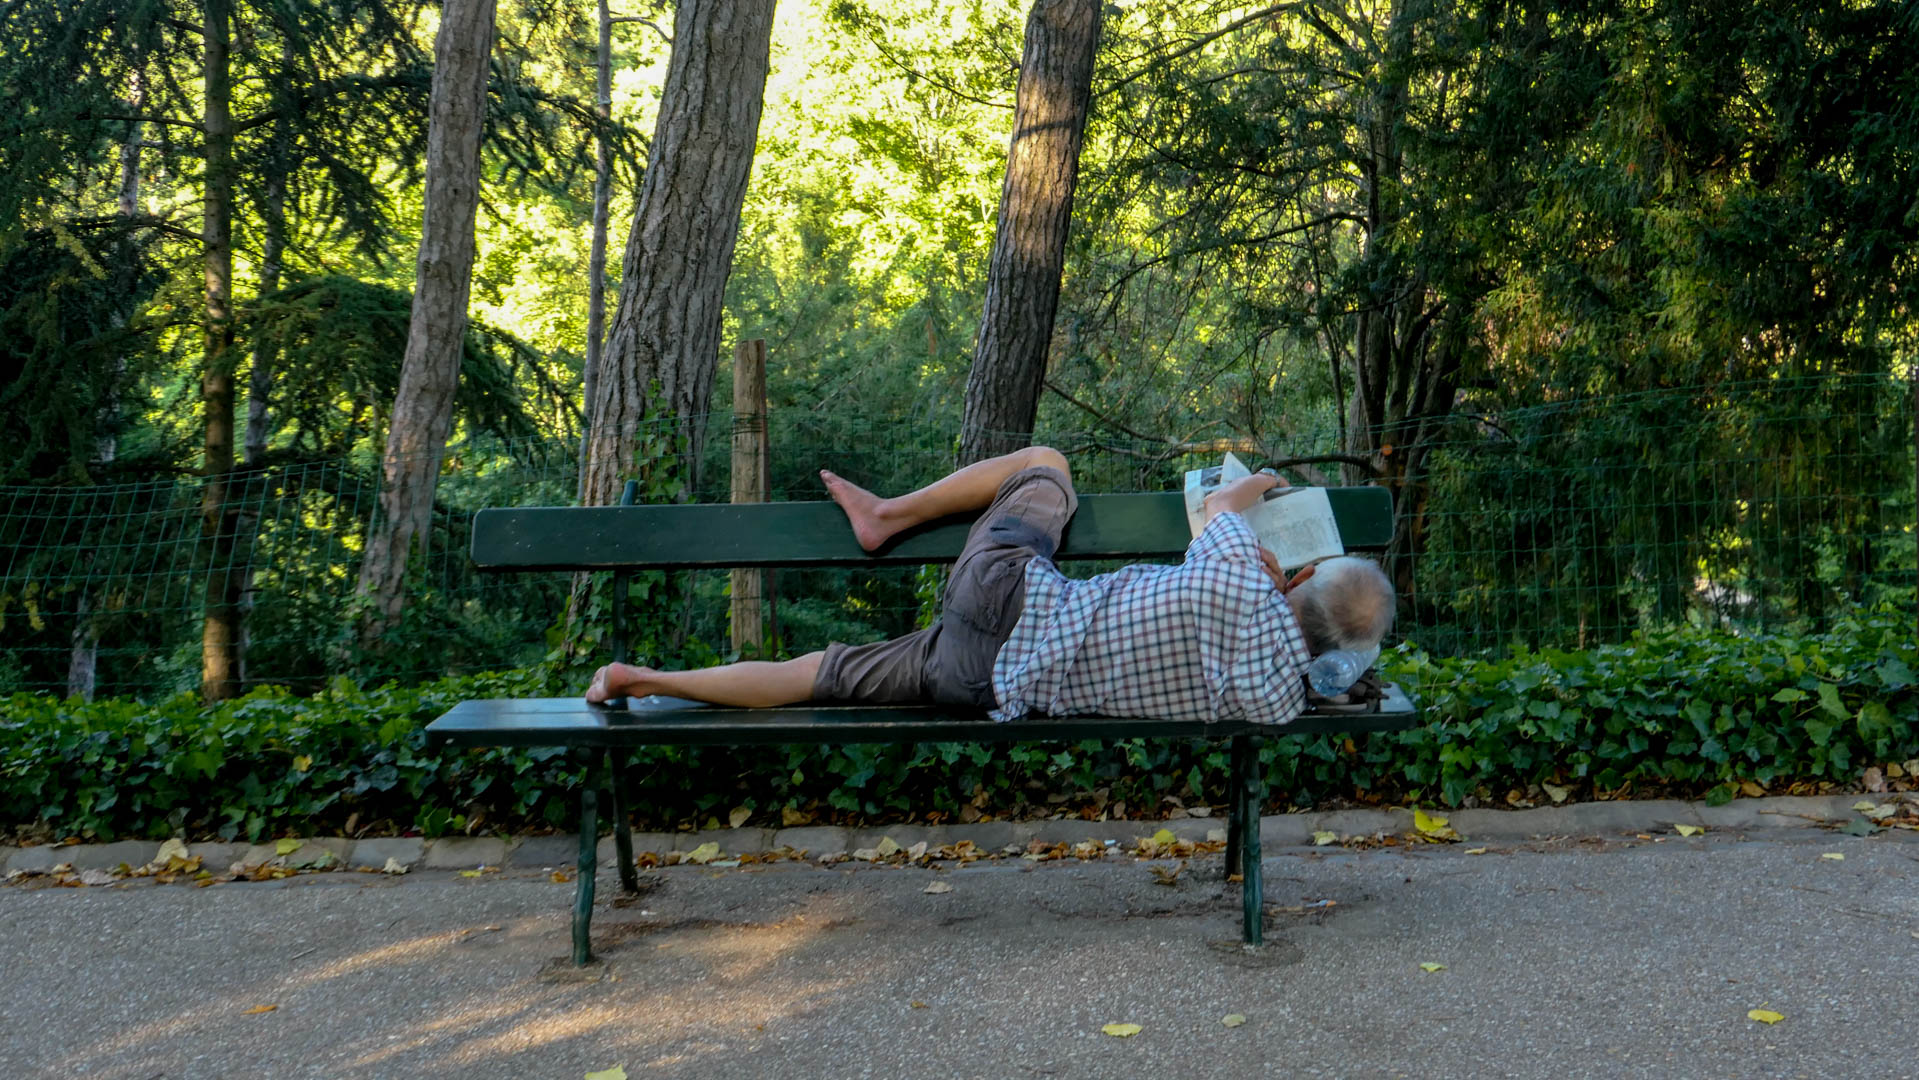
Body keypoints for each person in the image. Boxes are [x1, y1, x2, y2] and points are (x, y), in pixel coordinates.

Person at [583, 446, 1394, 724]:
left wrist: (1249, 490)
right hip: (981, 682)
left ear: (1301, 574)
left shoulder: (1237, 576)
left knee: (1044, 465)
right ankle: (640, 679)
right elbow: (1304, 664)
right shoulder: (1277, 701)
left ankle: (885, 516)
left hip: (1008, 595)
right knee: (819, 674)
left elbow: (1216, 507)